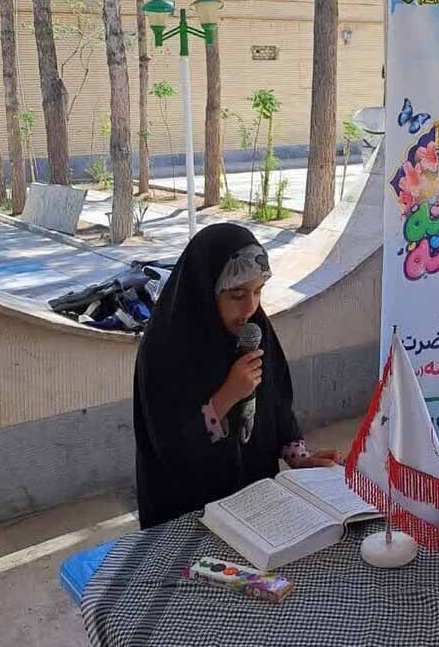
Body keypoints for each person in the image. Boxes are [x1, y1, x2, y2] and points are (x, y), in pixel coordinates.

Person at [133, 223, 339, 529]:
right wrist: (228, 395)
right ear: (205, 290)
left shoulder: (255, 330)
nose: (250, 307)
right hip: (189, 514)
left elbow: (277, 404)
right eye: (237, 294)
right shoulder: (165, 349)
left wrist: (299, 458)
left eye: (258, 291)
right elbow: (170, 445)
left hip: (256, 506)